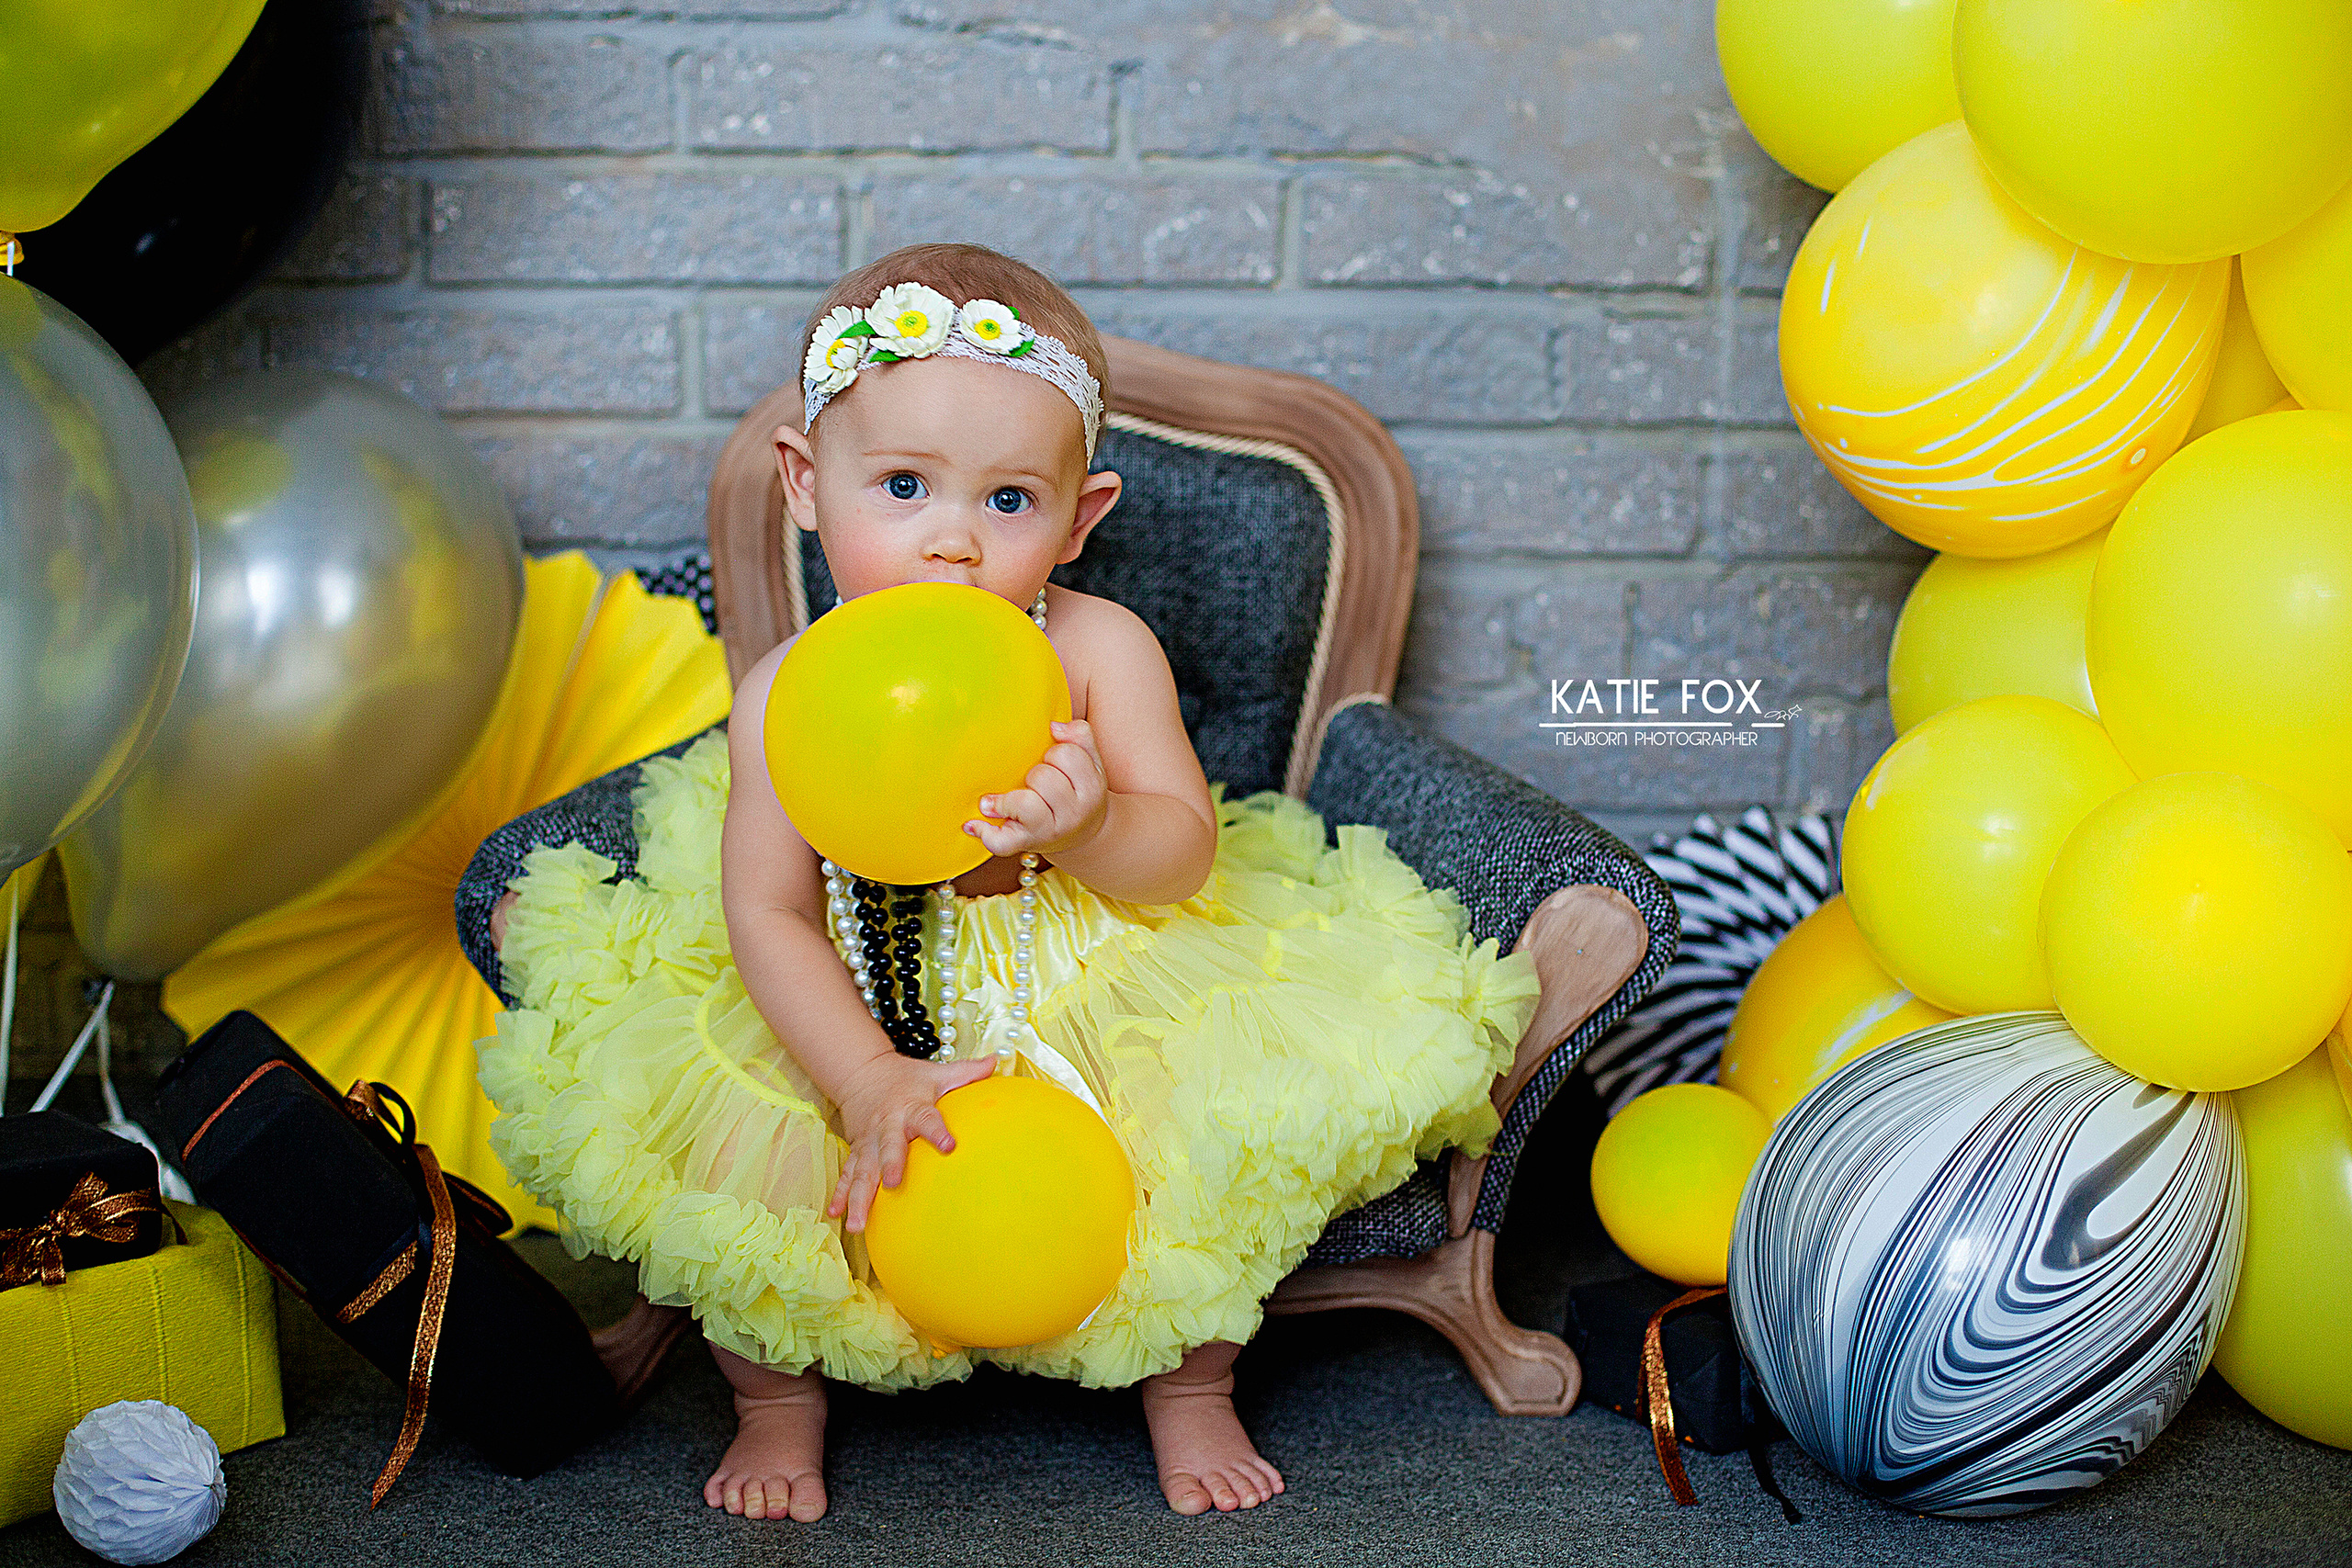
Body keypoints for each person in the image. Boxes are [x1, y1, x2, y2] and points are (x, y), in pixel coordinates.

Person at [475, 243, 1541, 1524]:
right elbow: (768, 911)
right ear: (808, 487)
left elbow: (1185, 845)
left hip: (1091, 960)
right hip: (863, 984)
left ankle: (1190, 1380)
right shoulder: (786, 697)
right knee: (743, 1175)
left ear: (1080, 517)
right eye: (906, 486)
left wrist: (1093, 827)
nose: (951, 543)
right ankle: (774, 1404)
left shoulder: (1098, 649)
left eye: (1007, 502)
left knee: (1205, 1147)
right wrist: (866, 1076)